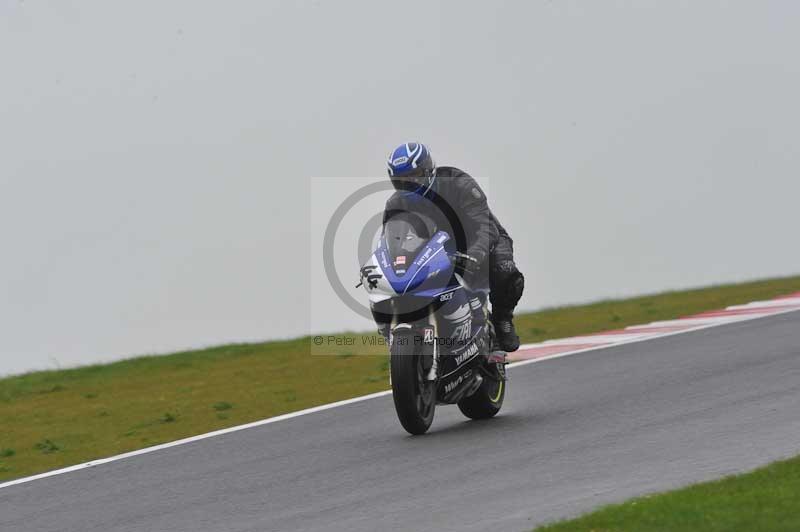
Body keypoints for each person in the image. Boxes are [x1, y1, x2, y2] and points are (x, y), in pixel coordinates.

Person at [383, 142, 525, 352]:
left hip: (482, 240)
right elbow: (391, 242)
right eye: (401, 181)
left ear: (428, 171)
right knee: (399, 286)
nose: (409, 185)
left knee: (504, 270)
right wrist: (381, 266)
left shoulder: (458, 183)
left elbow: (484, 226)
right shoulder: (396, 204)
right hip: (437, 250)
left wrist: (476, 253)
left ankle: (503, 320)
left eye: (414, 177)